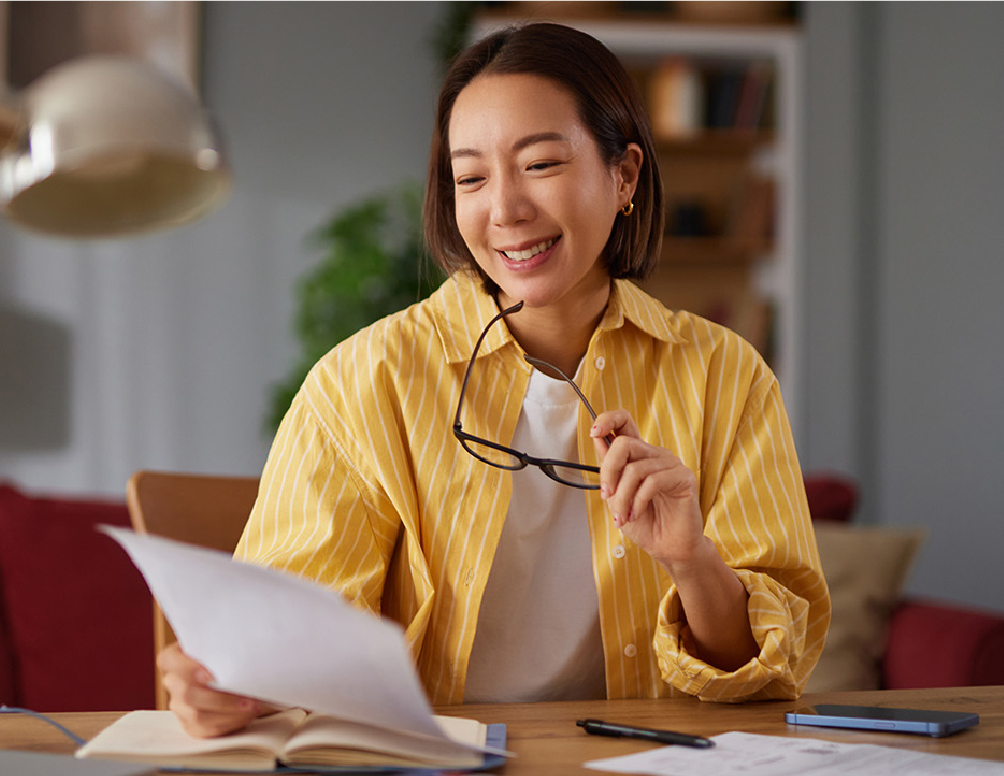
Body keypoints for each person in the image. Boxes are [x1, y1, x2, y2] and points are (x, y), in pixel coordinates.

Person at [157, 21, 830, 738]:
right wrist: (234, 680)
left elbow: (769, 671)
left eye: (539, 164)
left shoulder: (726, 377)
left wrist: (691, 561)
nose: (504, 209)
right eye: (470, 177)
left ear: (623, 175)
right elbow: (289, 638)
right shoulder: (363, 381)